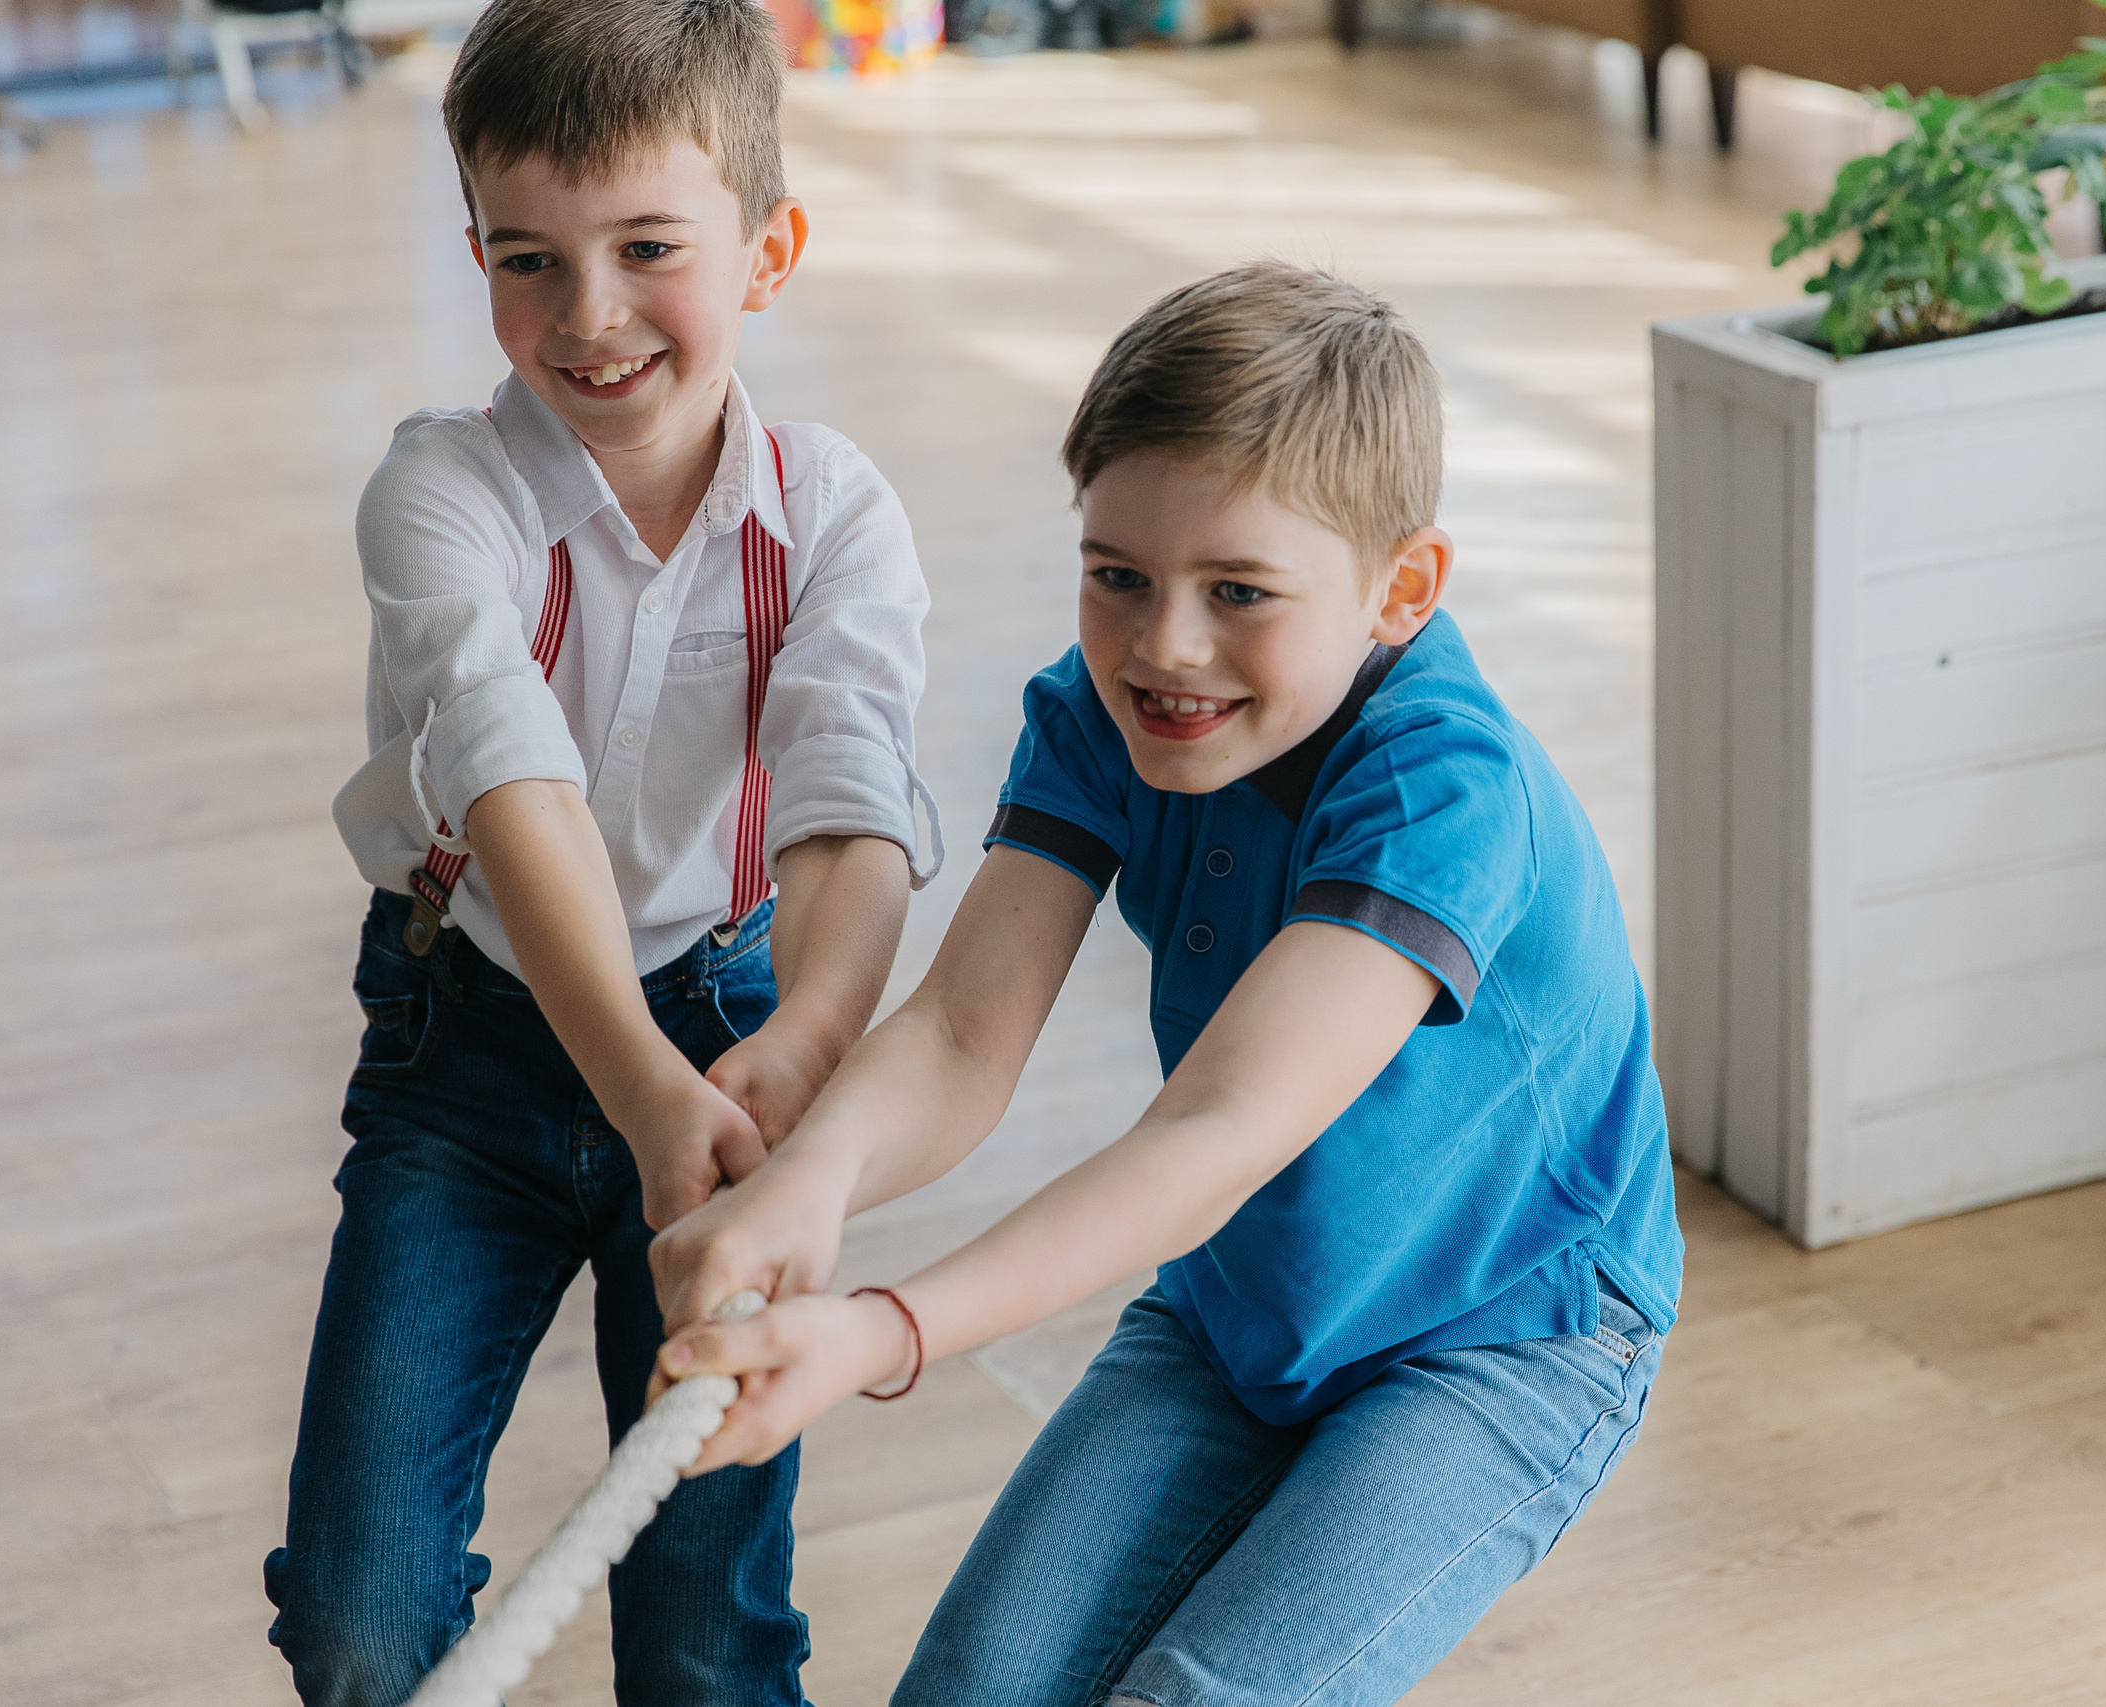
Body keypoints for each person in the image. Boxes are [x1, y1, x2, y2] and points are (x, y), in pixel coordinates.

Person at [650, 261, 1683, 1707]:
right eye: (1116, 574)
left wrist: (885, 1328)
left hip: (1503, 1335)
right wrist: (808, 1181)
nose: (1163, 647)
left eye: (1238, 591)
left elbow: (1217, 1134)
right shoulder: (1092, 716)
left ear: (1404, 589)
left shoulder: (1450, 788)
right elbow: (958, 1031)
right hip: (1245, 1300)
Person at [261, 0, 940, 1700]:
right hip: (472, 1053)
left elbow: (855, 816)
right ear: (474, 250)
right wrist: (639, 1089)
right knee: (362, 1607)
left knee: (711, 1627)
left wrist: (795, 1052)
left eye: (650, 247)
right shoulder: (440, 494)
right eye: (528, 258)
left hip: (730, 1031)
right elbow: (513, 791)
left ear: (769, 249)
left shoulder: (836, 514)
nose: (591, 316)